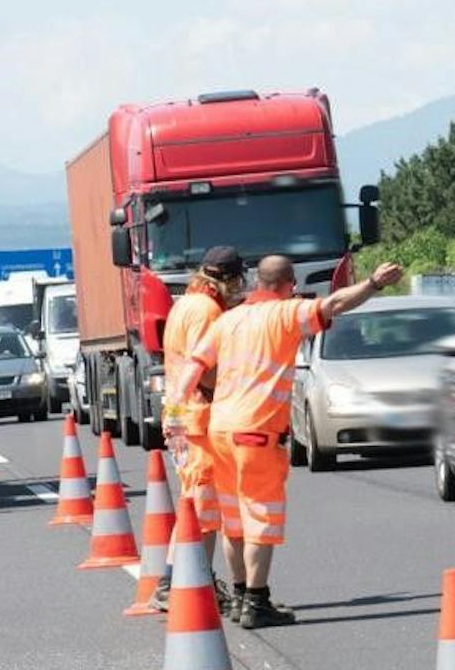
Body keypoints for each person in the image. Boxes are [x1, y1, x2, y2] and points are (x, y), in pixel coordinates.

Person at [169, 254, 403, 628]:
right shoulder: (287, 313)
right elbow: (336, 303)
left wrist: (177, 417)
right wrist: (374, 283)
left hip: (221, 429)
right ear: (288, 284)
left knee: (232, 517)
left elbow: (191, 370)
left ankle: (241, 594)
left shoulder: (227, 320)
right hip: (256, 431)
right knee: (261, 513)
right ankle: (258, 602)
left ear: (256, 283)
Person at [154, 245, 247, 614]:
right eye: (238, 280)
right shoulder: (208, 311)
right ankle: (176, 582)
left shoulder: (185, 304)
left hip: (179, 415)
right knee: (203, 509)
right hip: (197, 418)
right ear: (227, 279)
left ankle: (192, 579)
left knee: (197, 503)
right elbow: (205, 368)